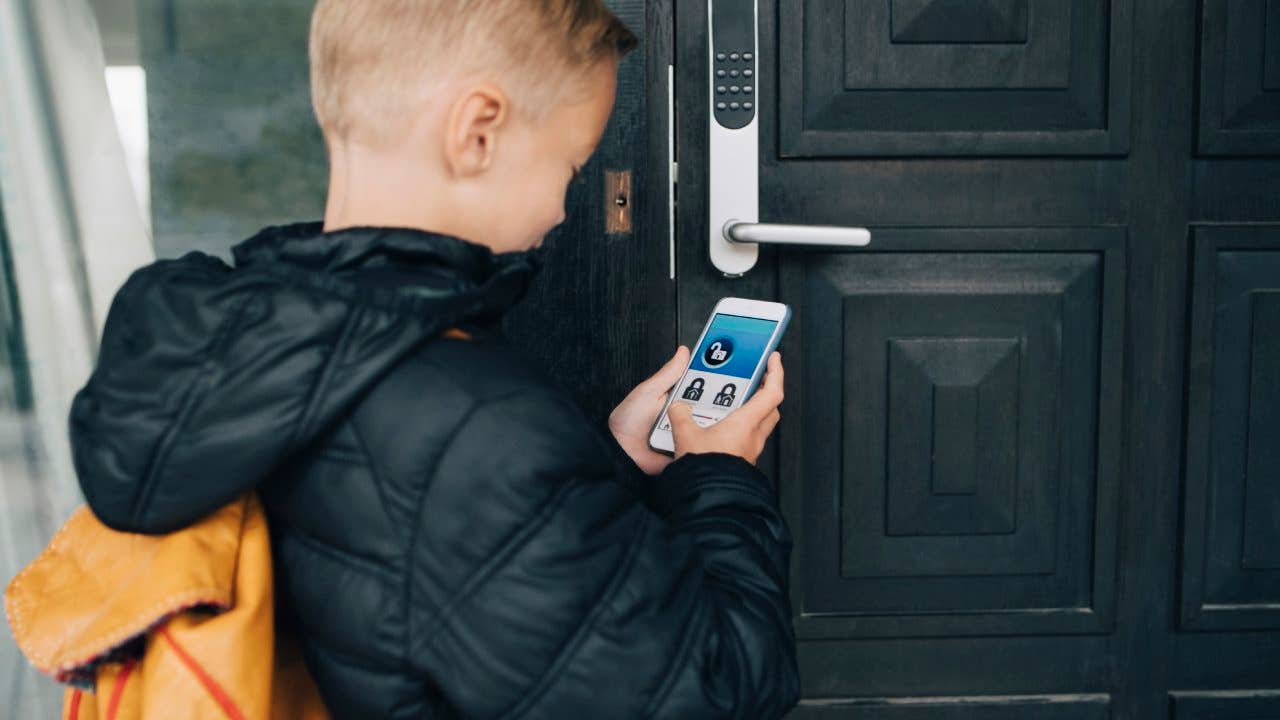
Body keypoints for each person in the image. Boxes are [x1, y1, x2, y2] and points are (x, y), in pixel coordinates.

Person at [68, 0, 800, 717]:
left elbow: (439, 534)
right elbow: (719, 686)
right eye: (571, 168)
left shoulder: (273, 348)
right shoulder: (471, 419)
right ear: (477, 131)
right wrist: (720, 478)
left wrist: (609, 457)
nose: (560, 209)